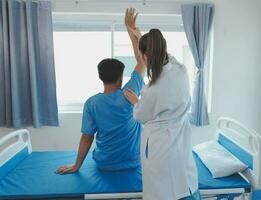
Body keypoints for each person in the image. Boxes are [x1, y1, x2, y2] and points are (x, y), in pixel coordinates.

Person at [56, 8, 145, 174]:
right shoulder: (130, 93)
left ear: (100, 77)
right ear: (121, 78)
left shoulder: (91, 103)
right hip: (133, 162)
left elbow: (87, 137)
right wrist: (130, 28)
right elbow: (141, 61)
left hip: (105, 164)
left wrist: (76, 166)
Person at [124, 15, 200, 200]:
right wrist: (137, 34)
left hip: (161, 148)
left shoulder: (152, 89)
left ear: (146, 56)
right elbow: (153, 54)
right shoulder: (180, 69)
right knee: (184, 183)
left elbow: (141, 116)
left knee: (164, 190)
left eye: (142, 56)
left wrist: (136, 101)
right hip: (180, 140)